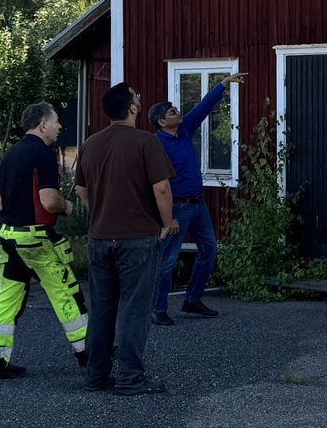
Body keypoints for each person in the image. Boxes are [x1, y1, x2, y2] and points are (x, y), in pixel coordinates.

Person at [75, 82, 178, 396]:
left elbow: (81, 190)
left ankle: (96, 376)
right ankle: (130, 378)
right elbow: (161, 188)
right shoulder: (145, 142)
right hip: (137, 238)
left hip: (99, 238)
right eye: (137, 98)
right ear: (132, 109)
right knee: (134, 310)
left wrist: (103, 210)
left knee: (102, 309)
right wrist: (165, 223)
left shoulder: (90, 144)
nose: (139, 100)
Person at [0, 102, 87, 383]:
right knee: (66, 294)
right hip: (37, 239)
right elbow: (48, 199)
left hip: (8, 238)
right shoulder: (42, 154)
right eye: (55, 122)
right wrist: (66, 206)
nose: (60, 127)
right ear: (42, 125)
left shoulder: (8, 155)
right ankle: (90, 358)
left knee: (7, 300)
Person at [147, 72, 246, 324]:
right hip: (177, 207)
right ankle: (158, 309)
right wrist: (168, 218)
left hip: (197, 203)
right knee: (168, 260)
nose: (177, 112)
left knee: (209, 250)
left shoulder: (184, 130)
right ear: (160, 121)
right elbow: (157, 184)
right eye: (172, 112)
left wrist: (221, 85)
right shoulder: (156, 145)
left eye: (176, 109)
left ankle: (192, 299)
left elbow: (203, 108)